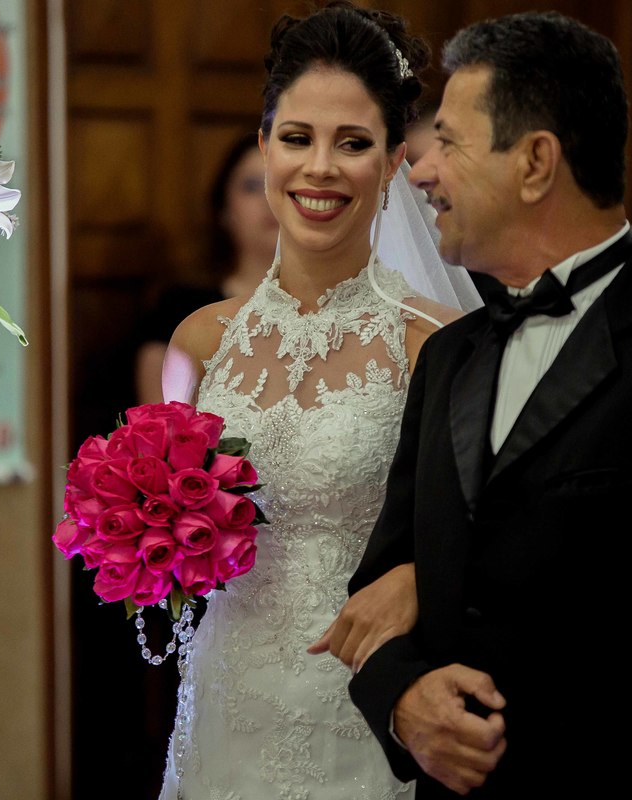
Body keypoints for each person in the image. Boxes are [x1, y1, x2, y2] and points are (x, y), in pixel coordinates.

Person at [336, 12, 632, 799]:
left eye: (449, 143)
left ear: (535, 162)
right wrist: (400, 699)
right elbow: (388, 579)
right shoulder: (449, 360)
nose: (420, 171)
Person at [156, 3, 480, 798]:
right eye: (297, 138)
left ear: (397, 160)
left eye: (355, 144)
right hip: (225, 697)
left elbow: (487, 536)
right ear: (265, 144)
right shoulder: (197, 342)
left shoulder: (435, 343)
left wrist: (416, 580)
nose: (321, 168)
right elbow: (155, 523)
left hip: (364, 709)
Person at [133, 133, 279, 404]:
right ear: (224, 209)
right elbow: (160, 427)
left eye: (280, 183)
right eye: (251, 186)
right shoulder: (180, 306)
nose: (268, 198)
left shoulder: (338, 311)